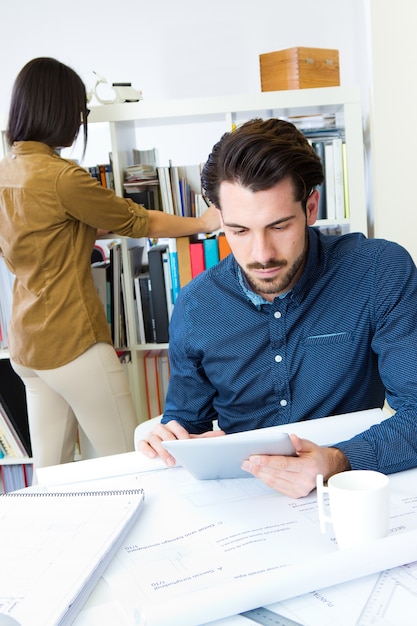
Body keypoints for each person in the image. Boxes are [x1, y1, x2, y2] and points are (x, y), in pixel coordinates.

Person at [139, 117, 417, 499]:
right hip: (240, 502)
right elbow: (186, 423)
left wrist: (336, 461)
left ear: (311, 207)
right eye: (239, 231)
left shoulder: (377, 271)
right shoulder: (195, 304)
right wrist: (168, 436)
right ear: (220, 220)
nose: (261, 255)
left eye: (279, 226)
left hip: (347, 491)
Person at [0, 57, 220, 473]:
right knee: (136, 463)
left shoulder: (5, 173)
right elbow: (139, 220)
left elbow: (40, 234)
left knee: (52, 474)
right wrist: (204, 221)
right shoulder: (62, 178)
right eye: (79, 111)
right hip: (71, 344)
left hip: (26, 347)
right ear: (58, 111)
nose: (80, 119)